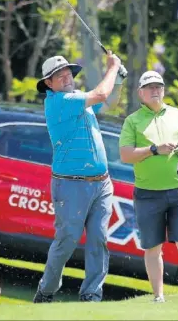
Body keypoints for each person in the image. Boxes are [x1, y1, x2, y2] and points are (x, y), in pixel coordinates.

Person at [32, 52, 122, 303]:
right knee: (67, 240)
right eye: (57, 76)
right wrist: (113, 66)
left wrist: (120, 78)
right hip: (70, 184)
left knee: (99, 239)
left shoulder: (79, 100)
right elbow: (102, 94)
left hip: (102, 183)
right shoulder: (59, 102)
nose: (65, 77)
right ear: (48, 84)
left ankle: (91, 295)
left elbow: (110, 99)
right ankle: (46, 291)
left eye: (68, 72)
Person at [119, 70, 178, 303]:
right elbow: (126, 155)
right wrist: (154, 149)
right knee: (152, 248)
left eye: (159, 87)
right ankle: (158, 297)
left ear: (164, 90)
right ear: (141, 93)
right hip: (148, 194)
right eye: (150, 88)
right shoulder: (133, 121)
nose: (155, 91)